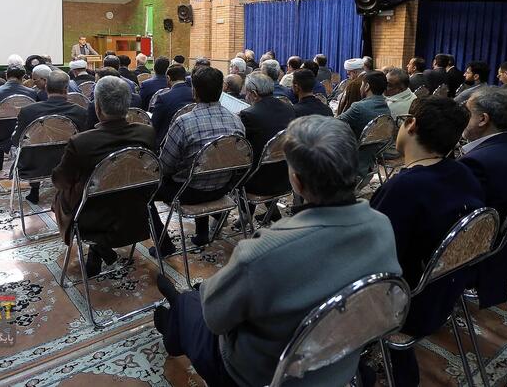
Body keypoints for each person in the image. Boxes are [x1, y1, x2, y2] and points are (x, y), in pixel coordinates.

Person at [153, 116, 401, 387]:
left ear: (296, 180)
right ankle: (175, 315)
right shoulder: (383, 226)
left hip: (258, 376)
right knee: (196, 300)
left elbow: (215, 320)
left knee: (192, 304)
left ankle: (172, 322)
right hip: (340, 363)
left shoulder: (263, 252)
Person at [370, 96, 483, 386]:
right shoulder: (463, 172)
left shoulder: (403, 188)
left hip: (406, 305)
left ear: (411, 125)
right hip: (445, 291)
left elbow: (372, 260)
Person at [51, 76, 155, 277]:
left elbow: (60, 181)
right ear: (128, 105)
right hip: (135, 210)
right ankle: (99, 251)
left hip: (91, 216)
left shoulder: (81, 142)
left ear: (97, 107)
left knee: (63, 195)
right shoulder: (147, 133)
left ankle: (98, 248)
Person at [458, 87, 507, 308]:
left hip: (474, 247)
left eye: (467, 114)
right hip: (500, 245)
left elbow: (457, 215)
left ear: (483, 119)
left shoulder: (478, 161)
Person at [150, 67, 245, 250]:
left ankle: (164, 245)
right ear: (221, 90)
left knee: (144, 192)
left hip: (187, 192)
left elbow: (165, 167)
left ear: (194, 91)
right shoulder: (236, 121)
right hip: (222, 188)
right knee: (200, 169)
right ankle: (202, 233)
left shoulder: (184, 122)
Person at [12, 70, 88, 204]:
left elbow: (16, 140)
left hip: (34, 166)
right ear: (66, 89)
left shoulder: (28, 111)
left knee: (32, 147)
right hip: (69, 164)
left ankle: (34, 190)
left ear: (46, 87)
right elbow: (84, 140)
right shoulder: (80, 112)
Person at [239, 72, 295, 224]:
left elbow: (241, 147)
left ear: (254, 94)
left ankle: (245, 215)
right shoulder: (289, 108)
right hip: (286, 175)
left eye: (246, 92)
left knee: (237, 168)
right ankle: (272, 212)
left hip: (259, 181)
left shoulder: (248, 115)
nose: (245, 95)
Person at [0, 65, 37, 171]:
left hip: (0, 134)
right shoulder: (32, 93)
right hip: (24, 134)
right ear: (23, 77)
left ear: (6, 75)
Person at [337, 71, 391, 139]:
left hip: (358, 145)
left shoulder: (358, 107)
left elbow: (335, 122)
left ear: (367, 86)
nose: (360, 88)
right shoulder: (386, 105)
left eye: (362, 85)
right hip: (380, 145)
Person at [151, 65, 193, 145]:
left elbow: (154, 125)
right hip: (191, 136)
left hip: (167, 142)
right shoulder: (194, 94)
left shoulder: (163, 98)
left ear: (168, 78)